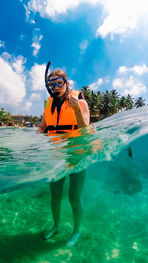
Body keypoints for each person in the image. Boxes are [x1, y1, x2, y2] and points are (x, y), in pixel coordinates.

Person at [37, 69, 90, 247]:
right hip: (57, 156)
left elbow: (85, 130)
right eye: (51, 84)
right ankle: (56, 225)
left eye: (59, 82)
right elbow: (41, 128)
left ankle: (76, 230)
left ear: (66, 83)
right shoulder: (49, 105)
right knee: (55, 197)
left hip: (77, 154)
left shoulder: (80, 102)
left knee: (74, 198)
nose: (55, 87)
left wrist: (75, 110)